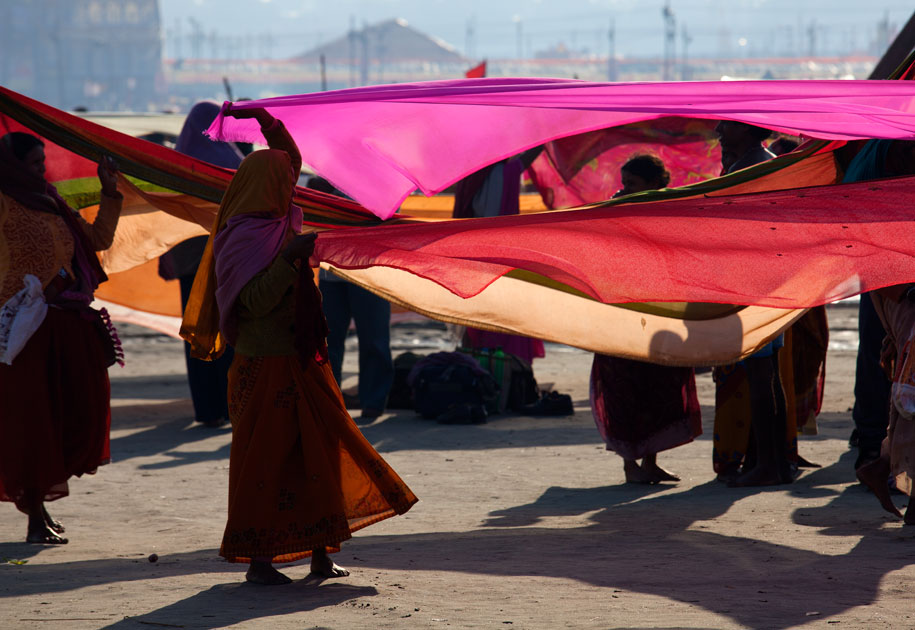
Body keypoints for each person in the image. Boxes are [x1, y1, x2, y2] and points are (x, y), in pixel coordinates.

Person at [179, 106, 417, 585]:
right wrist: (289, 259)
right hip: (264, 364)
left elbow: (290, 159)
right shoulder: (240, 237)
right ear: (263, 187)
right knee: (266, 463)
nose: (292, 187)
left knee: (320, 455)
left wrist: (267, 123)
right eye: (283, 182)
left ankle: (321, 553)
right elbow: (252, 302)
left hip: (303, 358)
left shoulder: (282, 219)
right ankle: (259, 562)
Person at [0, 131, 123, 544]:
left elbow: (98, 241)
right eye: (33, 164)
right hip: (22, 333)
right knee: (33, 421)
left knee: (74, 413)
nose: (42, 171)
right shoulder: (4, 202)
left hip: (65, 324)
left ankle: (39, 507)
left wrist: (110, 193)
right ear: (13, 166)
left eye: (43, 163)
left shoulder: (53, 203)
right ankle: (35, 514)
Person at [590, 155, 701, 483]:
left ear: (655, 184)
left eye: (633, 184)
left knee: (659, 386)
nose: (626, 190)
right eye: (624, 183)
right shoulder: (616, 212)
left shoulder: (670, 212)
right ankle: (630, 466)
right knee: (623, 387)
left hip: (660, 312)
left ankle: (650, 462)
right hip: (622, 315)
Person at [712, 121, 793, 486]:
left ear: (745, 130)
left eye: (726, 124)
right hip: (767, 278)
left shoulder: (750, 168)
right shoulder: (763, 161)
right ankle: (775, 462)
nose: (718, 129)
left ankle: (768, 465)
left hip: (752, 281)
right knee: (768, 372)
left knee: (760, 374)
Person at [158, 101, 247, 428]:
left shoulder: (175, 164)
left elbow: (165, 212)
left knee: (197, 331)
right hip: (227, 259)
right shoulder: (231, 161)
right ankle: (230, 404)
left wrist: (166, 253)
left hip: (189, 259)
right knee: (229, 329)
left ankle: (207, 409)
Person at [307, 175, 395, 422]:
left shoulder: (384, 175)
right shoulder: (331, 171)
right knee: (328, 341)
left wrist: (334, 195)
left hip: (369, 270)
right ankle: (330, 400)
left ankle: (373, 401)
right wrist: (320, 193)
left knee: (374, 340)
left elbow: (387, 211)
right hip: (332, 270)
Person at [453, 146, 545, 365]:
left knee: (476, 319)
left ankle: (478, 365)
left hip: (473, 258)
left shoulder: (469, 177)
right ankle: (506, 367)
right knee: (498, 317)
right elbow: (526, 158)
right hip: (498, 259)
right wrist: (547, 134)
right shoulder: (502, 173)